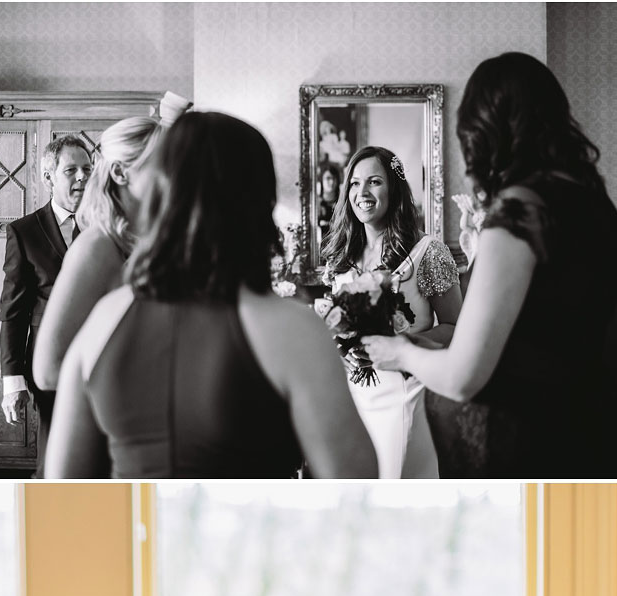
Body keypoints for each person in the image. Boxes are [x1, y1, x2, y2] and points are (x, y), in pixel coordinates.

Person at [46, 111, 375, 478]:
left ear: (159, 194)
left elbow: (63, 485)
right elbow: (353, 487)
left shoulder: (104, 320)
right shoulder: (293, 331)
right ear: (257, 202)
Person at [365, 52, 617, 477]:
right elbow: (538, 335)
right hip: (591, 415)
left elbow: (462, 379)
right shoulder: (594, 203)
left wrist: (400, 352)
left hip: (529, 438)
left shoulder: (518, 212)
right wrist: (428, 346)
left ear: (485, 128)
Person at [31, 94, 189, 394]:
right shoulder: (97, 247)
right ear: (119, 173)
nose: (174, 178)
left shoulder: (155, 241)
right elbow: (48, 371)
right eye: (162, 166)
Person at [321, 145, 462, 478]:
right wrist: (344, 352)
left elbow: (457, 327)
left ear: (394, 188)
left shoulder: (428, 251)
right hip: (352, 394)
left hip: (404, 393)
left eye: (374, 182)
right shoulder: (341, 256)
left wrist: (402, 347)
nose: (362, 192)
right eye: (354, 184)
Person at [0, 133, 92, 472]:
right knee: (55, 450)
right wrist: (13, 381)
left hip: (103, 356)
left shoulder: (108, 228)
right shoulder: (24, 232)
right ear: (48, 176)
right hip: (48, 362)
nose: (82, 177)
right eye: (72, 170)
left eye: (87, 169)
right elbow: (13, 311)